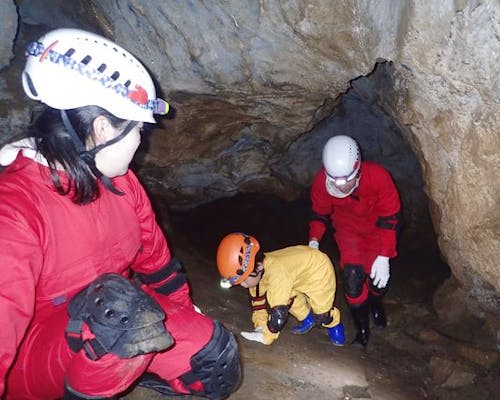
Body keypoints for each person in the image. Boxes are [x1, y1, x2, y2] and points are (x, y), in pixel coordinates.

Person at [0, 28, 241, 400]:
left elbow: (156, 262)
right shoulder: (15, 207)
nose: (141, 142)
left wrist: (186, 322)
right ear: (101, 129)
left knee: (216, 361)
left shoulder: (123, 183)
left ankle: (121, 367)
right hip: (36, 354)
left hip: (112, 318)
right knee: (118, 314)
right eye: (138, 131)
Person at [308, 135, 402, 347]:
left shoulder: (377, 177)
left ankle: (376, 303)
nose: (340, 186)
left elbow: (392, 217)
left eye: (345, 180)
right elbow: (319, 214)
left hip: (378, 230)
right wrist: (314, 241)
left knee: (378, 280)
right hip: (348, 231)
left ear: (357, 167)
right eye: (334, 181)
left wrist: (385, 255)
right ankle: (362, 330)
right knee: (352, 279)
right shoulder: (322, 182)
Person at [216, 232, 346, 346]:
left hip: (318, 269)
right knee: (289, 297)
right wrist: (260, 326)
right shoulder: (258, 269)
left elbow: (279, 315)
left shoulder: (276, 275)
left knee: (321, 313)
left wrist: (266, 336)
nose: (243, 285)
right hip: (297, 272)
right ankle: (306, 317)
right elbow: (258, 302)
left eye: (244, 280)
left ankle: (335, 324)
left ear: (259, 266)